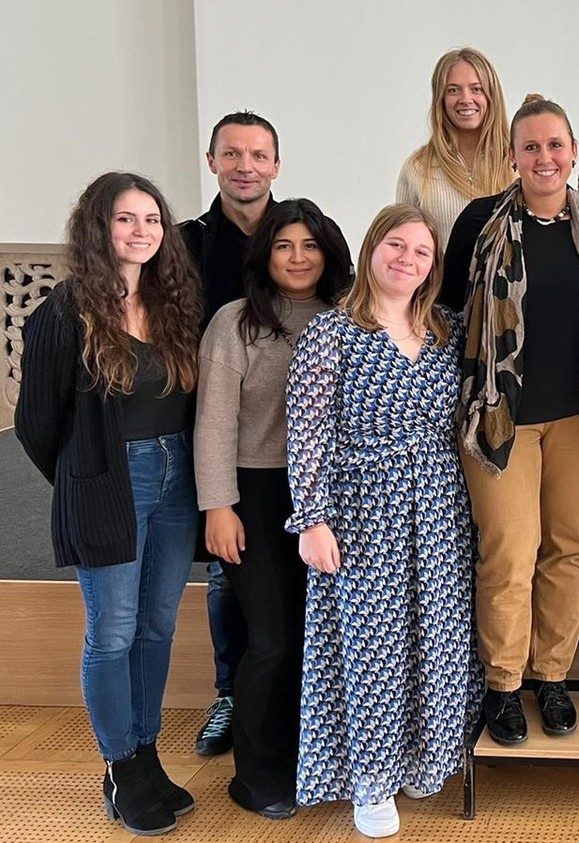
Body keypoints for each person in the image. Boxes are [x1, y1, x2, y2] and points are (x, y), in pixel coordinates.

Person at [16, 171, 203, 835]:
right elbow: (37, 423)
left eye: (152, 218)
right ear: (100, 226)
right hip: (110, 483)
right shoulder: (66, 310)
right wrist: (83, 479)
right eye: (127, 219)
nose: (141, 231)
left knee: (157, 626)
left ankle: (145, 753)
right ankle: (120, 764)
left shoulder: (175, 300)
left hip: (178, 477)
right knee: (113, 631)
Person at [287, 204, 480, 839]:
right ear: (372, 249)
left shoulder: (448, 329)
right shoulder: (330, 332)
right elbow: (307, 433)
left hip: (440, 507)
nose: (407, 259)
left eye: (421, 252)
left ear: (433, 267)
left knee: (438, 640)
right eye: (396, 246)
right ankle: (371, 782)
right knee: (371, 650)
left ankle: (424, 762)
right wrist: (312, 519)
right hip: (362, 509)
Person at [447, 94, 579, 746]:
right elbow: (450, 316)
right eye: (531, 147)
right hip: (501, 420)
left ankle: (551, 675)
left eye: (555, 145)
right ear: (512, 155)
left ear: (574, 151)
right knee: (508, 551)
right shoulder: (479, 224)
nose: (544, 157)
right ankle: (502, 683)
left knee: (569, 547)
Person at [194, 198, 351, 820]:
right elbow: (213, 424)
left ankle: (317, 761)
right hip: (255, 495)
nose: (297, 257)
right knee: (274, 640)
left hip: (336, 496)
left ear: (328, 254)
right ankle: (258, 777)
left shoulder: (348, 319)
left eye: (309, 246)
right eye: (284, 245)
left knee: (323, 640)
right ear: (266, 254)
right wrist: (218, 507)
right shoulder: (235, 322)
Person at [182, 110, 283, 758]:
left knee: (284, 581)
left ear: (276, 164)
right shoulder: (185, 245)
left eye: (258, 154)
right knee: (227, 572)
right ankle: (229, 692)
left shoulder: (303, 233)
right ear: (212, 161)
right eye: (233, 154)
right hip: (218, 435)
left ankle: (282, 697)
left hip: (291, 441)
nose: (245, 165)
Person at [398, 47, 512, 277]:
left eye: (477, 89)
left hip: (505, 304)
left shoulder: (516, 162)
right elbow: (403, 248)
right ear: (440, 98)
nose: (465, 99)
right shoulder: (417, 168)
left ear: (492, 96)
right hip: (439, 305)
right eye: (453, 90)